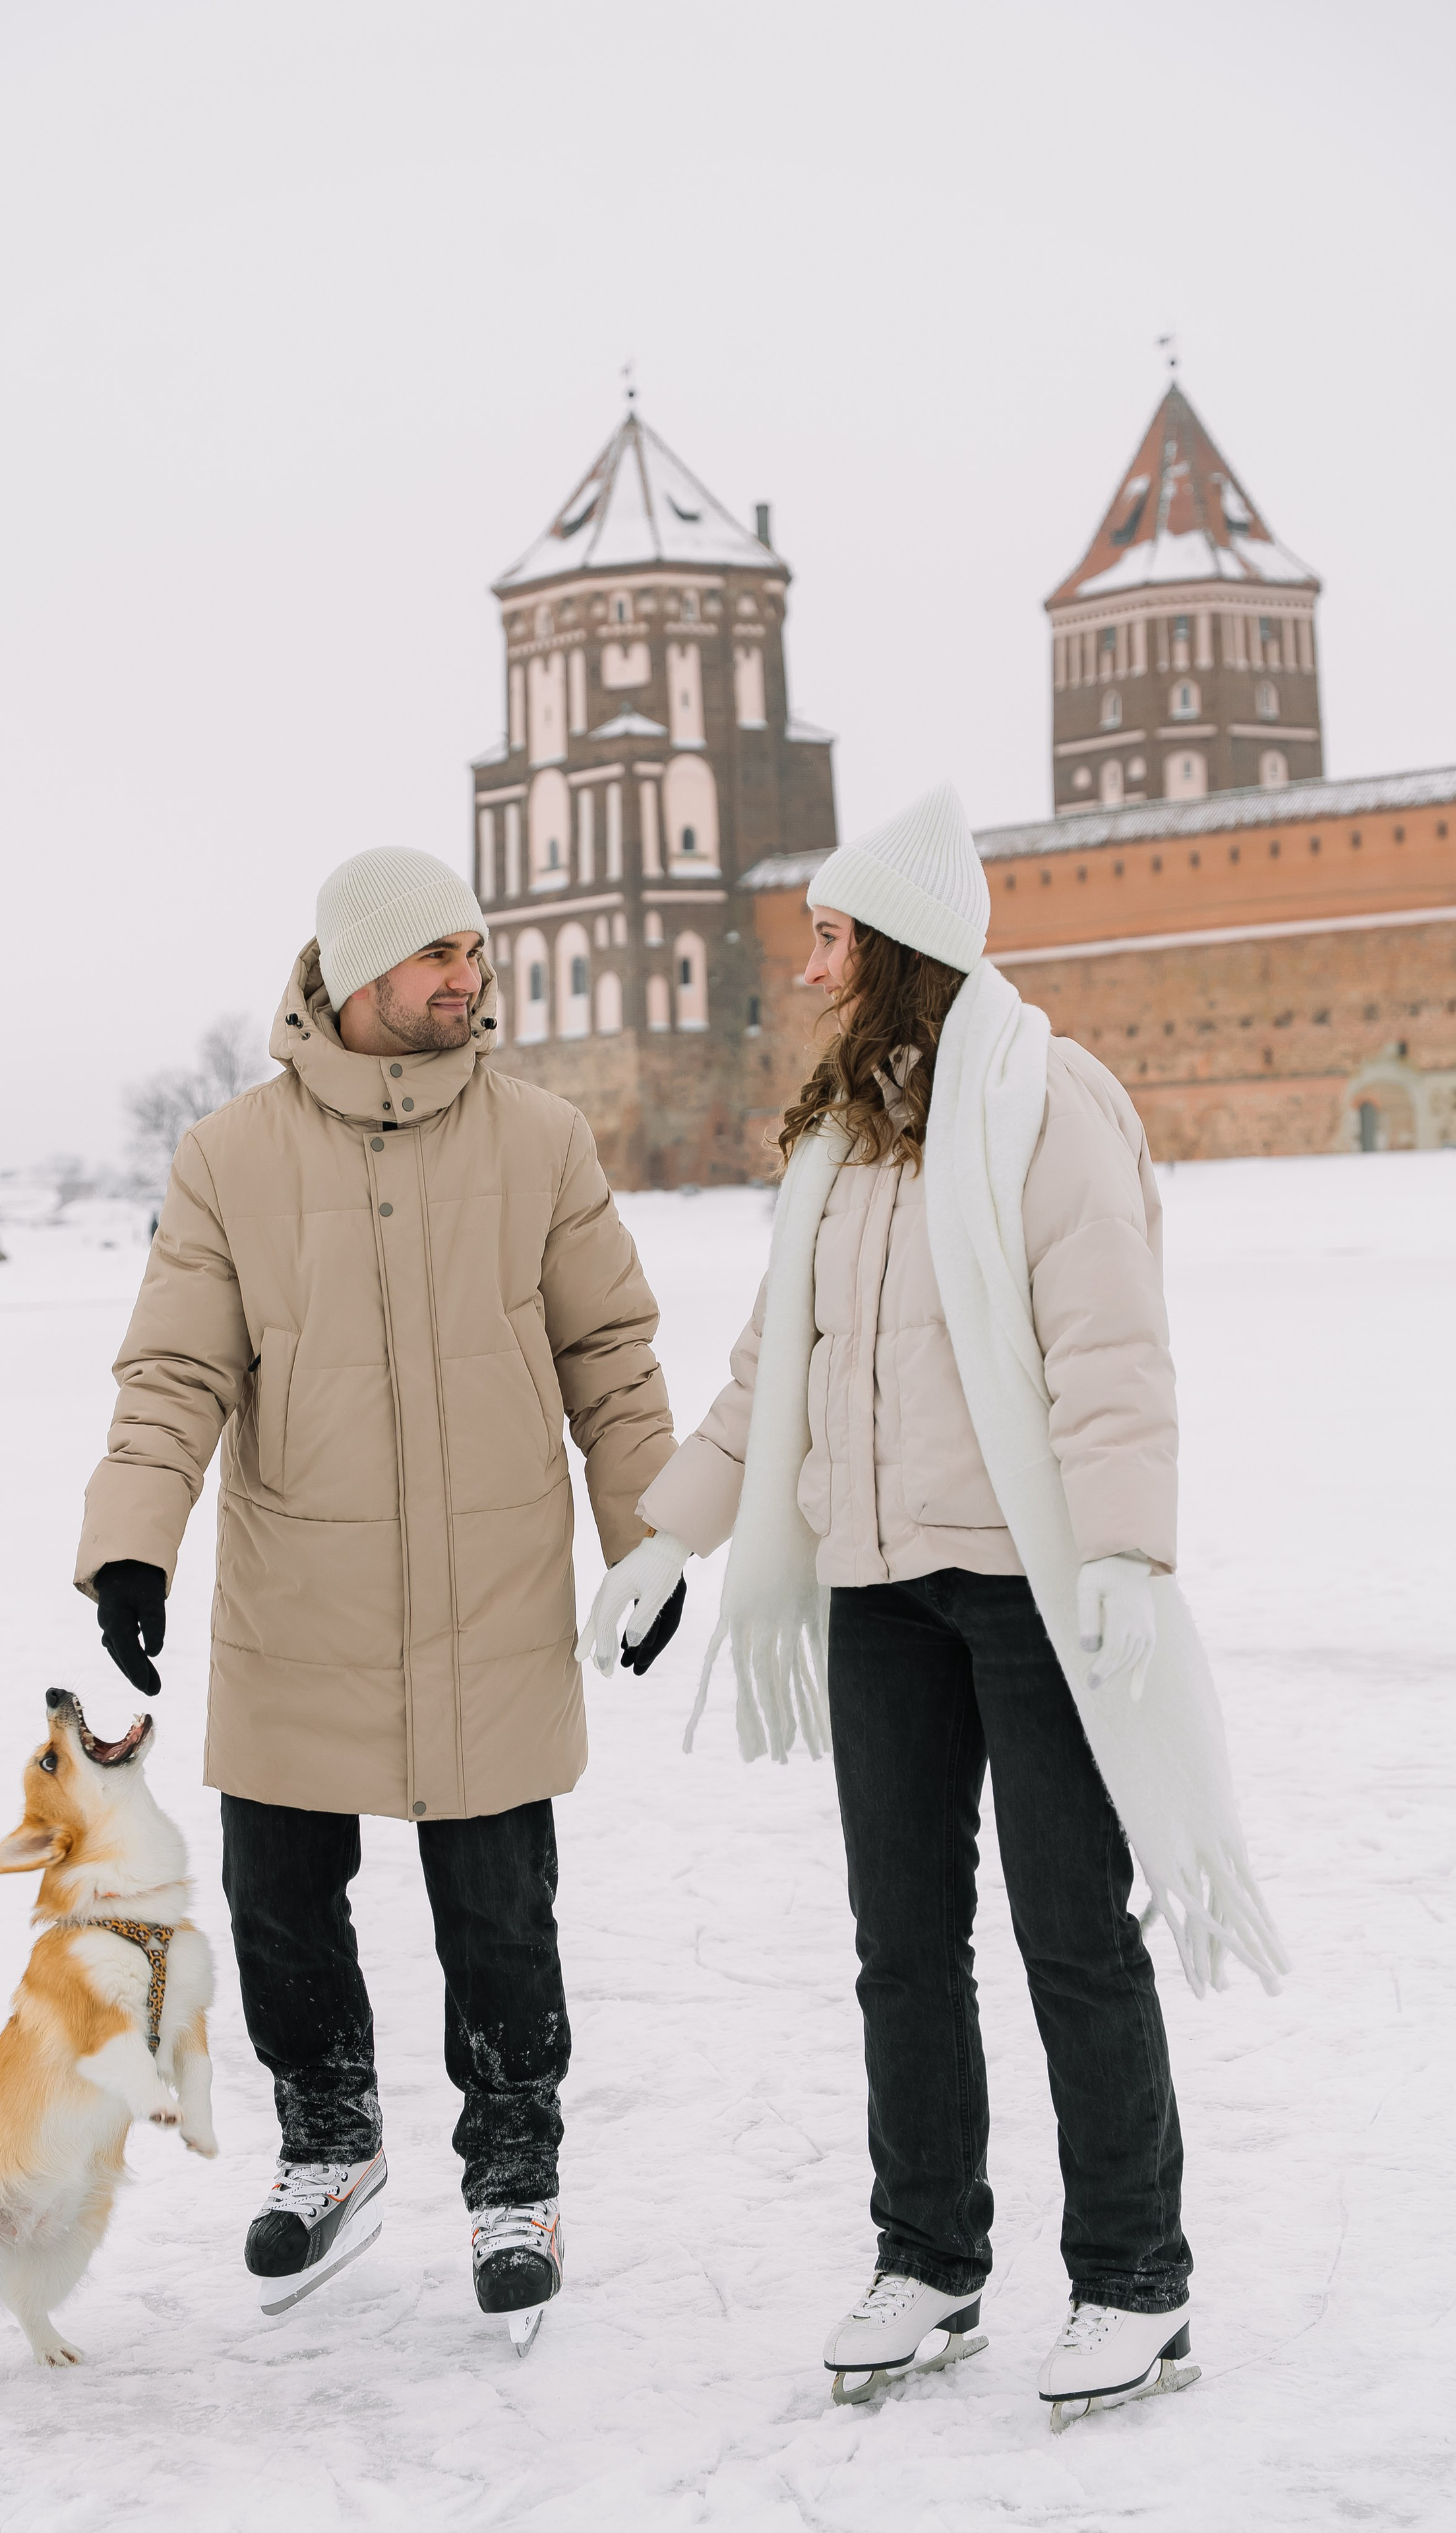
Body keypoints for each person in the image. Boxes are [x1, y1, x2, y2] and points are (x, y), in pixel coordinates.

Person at [580, 785, 1283, 2427]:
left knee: (1069, 1938)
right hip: (875, 1592)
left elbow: (1109, 1351)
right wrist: (667, 1535)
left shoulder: (1045, 1103)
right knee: (899, 1944)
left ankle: (1132, 2282)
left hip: (1027, 1588)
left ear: (895, 947)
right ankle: (928, 2258)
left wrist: (1120, 1554)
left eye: (829, 938)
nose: (807, 969)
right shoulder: (836, 1142)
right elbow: (774, 1370)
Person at [76, 846, 675, 2342]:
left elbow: (609, 1354)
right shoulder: (231, 1156)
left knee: (500, 1912)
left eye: (475, 951)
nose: (469, 977)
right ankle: (330, 2143)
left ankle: (515, 2174)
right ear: (355, 974)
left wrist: (648, 1533)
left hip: (490, 1594)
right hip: (303, 1593)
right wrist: (133, 1541)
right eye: (436, 955)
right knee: (279, 1902)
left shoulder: (539, 1139)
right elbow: (176, 1369)